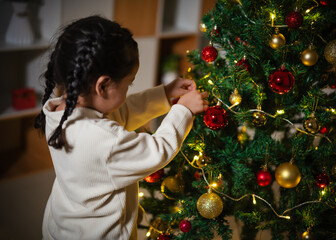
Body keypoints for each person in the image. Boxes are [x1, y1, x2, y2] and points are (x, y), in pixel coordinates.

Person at [34, 16, 209, 240]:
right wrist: (183, 111)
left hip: (65, 225)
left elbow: (121, 113)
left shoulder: (61, 110)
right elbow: (158, 150)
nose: (129, 89)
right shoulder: (101, 139)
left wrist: (164, 94)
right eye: (129, 83)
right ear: (103, 85)